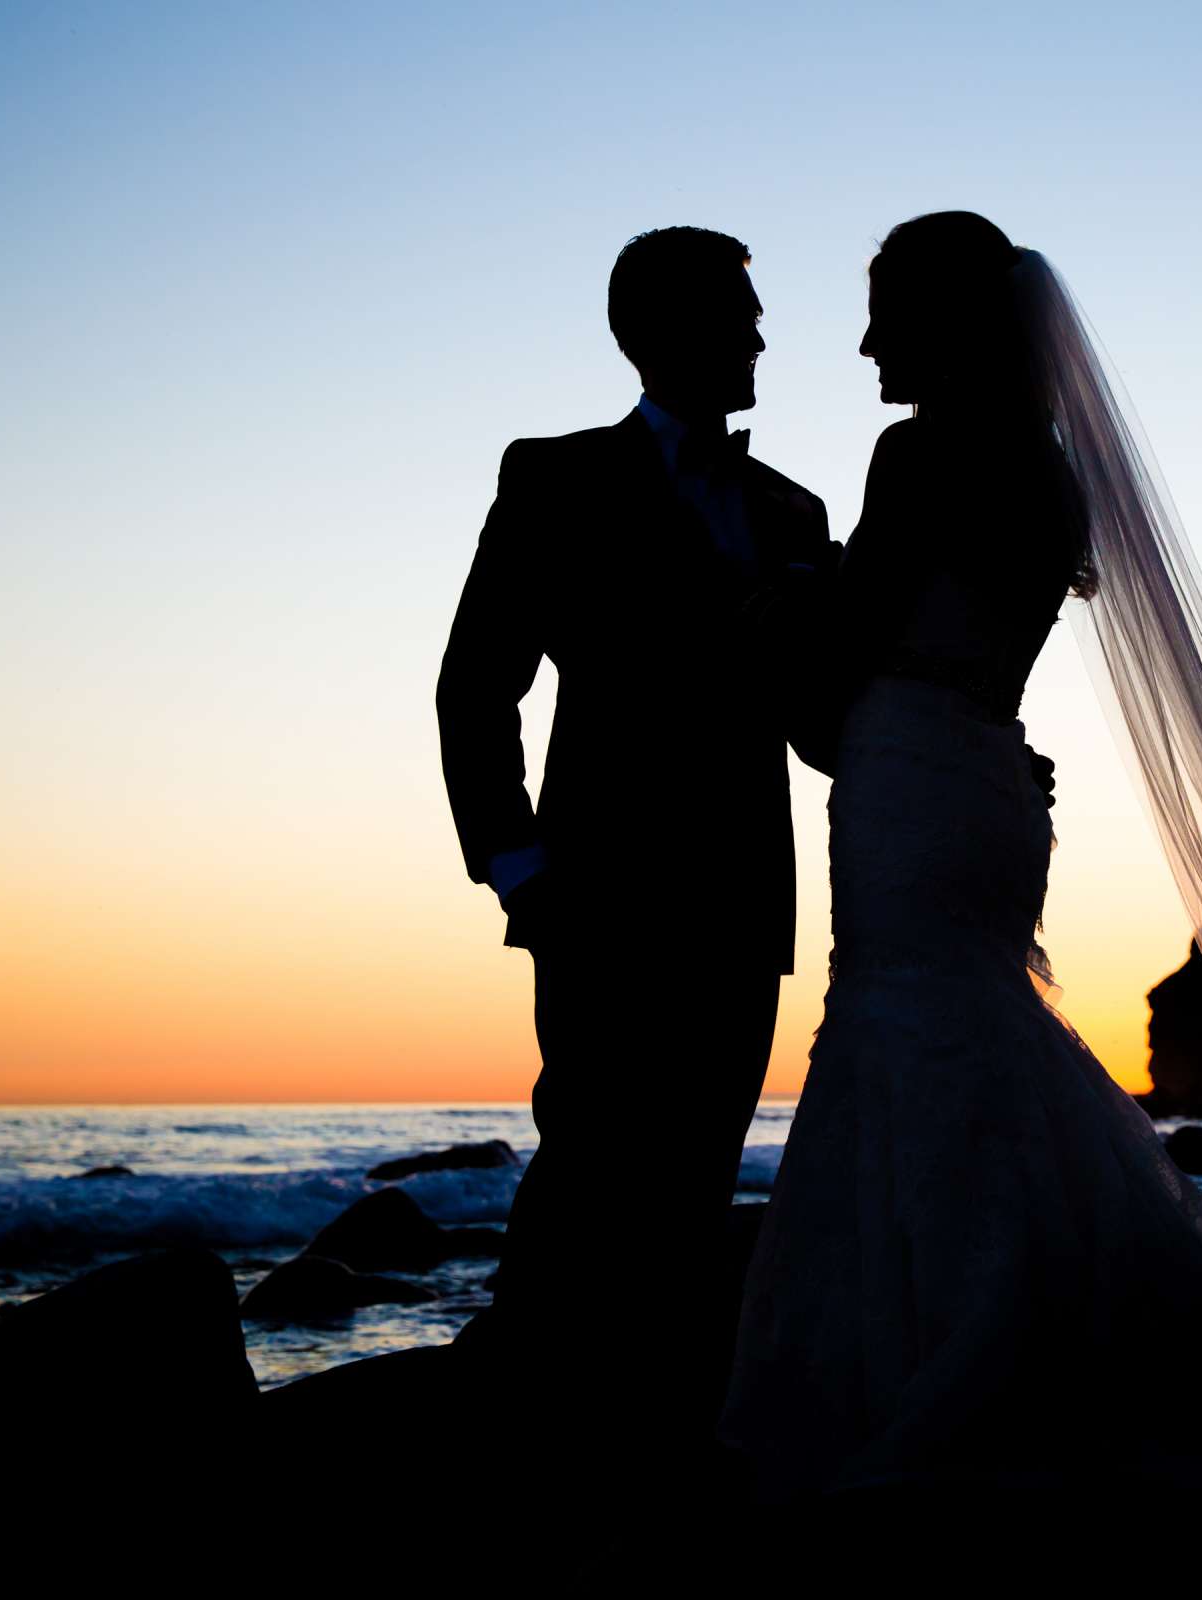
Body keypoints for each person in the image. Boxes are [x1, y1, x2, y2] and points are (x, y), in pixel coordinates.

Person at [435, 226, 835, 1444]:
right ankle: (526, 1433)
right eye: (739, 312)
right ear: (654, 331)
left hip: (739, 903)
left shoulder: (795, 510)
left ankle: (663, 1443)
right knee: (589, 1166)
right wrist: (520, 868)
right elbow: (475, 688)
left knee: (699, 1180)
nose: (763, 334)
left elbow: (818, 720)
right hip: (596, 898)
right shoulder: (552, 479)